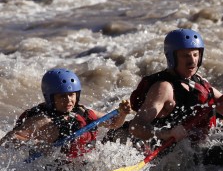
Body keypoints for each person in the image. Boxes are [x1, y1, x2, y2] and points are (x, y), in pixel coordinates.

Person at [128, 28, 223, 166]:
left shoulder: (198, 80)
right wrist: (167, 133)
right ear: (172, 58)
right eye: (185, 56)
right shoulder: (164, 88)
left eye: (195, 55)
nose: (192, 61)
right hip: (175, 157)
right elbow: (136, 126)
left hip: (198, 148)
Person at [0, 68, 131, 159]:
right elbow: (9, 141)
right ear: (51, 98)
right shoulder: (43, 120)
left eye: (71, 95)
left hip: (83, 166)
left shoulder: (84, 112)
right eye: (62, 96)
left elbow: (114, 123)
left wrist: (123, 114)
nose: (69, 100)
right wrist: (38, 145)